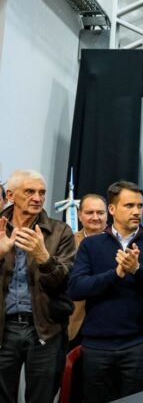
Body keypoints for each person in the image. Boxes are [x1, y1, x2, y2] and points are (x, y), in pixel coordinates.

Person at [68, 180, 143, 402]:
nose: (136, 211)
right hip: (97, 347)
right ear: (112, 209)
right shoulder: (91, 245)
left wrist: (137, 269)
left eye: (140, 206)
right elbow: (76, 288)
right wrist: (115, 275)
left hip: (139, 345)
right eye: (129, 206)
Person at [0, 169, 76, 402]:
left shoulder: (60, 231)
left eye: (41, 192)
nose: (37, 198)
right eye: (30, 192)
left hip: (45, 328)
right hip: (3, 329)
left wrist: (44, 257)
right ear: (11, 195)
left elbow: (65, 282)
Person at [69, 194, 108, 345]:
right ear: (79, 215)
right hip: (74, 321)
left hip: (108, 321)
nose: (95, 217)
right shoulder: (67, 242)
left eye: (100, 212)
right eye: (89, 212)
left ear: (108, 214)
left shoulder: (120, 243)